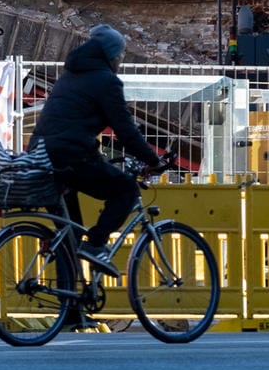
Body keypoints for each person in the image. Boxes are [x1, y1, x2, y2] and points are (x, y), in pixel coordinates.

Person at [28, 24, 166, 277]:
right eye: (120, 55)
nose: (120, 60)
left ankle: (70, 312)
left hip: (41, 155)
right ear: (110, 55)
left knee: (69, 233)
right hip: (70, 155)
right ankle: (96, 244)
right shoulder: (106, 81)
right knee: (125, 189)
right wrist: (152, 160)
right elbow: (125, 129)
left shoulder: (69, 75)